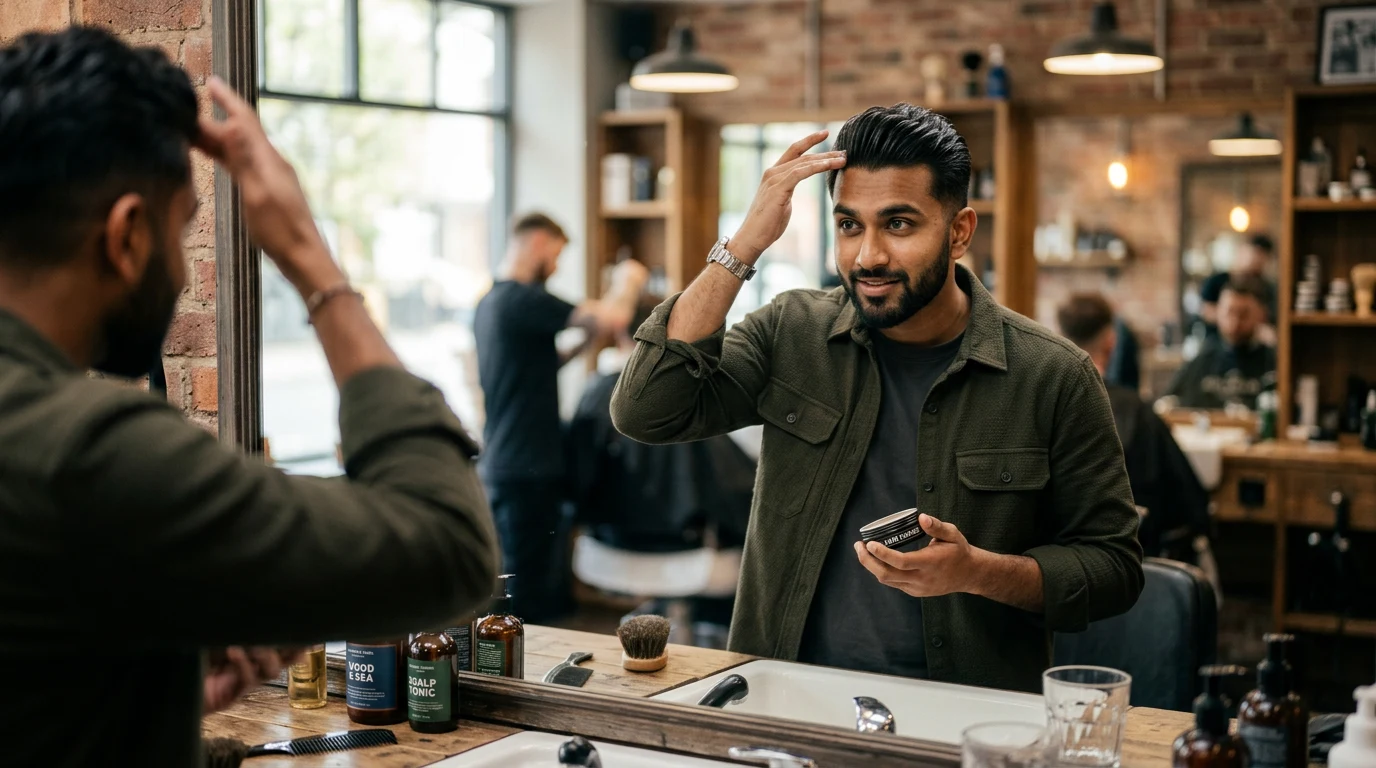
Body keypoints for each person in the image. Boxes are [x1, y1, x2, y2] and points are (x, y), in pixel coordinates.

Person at [0, 28, 499, 766]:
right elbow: (448, 549)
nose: (181, 266)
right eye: (182, 229)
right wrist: (308, 256)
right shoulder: (82, 450)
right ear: (128, 236)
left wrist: (144, 694)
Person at [611, 104, 1143, 693]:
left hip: (963, 715)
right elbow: (646, 408)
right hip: (784, 695)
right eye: (849, 225)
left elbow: (1114, 570)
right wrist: (743, 246)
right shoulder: (793, 333)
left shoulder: (1053, 375)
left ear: (960, 231)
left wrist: (976, 572)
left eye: (899, 224)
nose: (868, 257)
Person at [474, 214, 648, 622]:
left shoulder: (491, 303)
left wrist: (585, 340)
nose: (555, 267)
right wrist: (629, 281)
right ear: (536, 242)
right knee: (531, 595)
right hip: (527, 467)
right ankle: (529, 678)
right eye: (555, 256)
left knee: (521, 583)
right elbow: (615, 318)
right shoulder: (521, 299)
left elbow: (539, 365)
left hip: (506, 463)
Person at [1058, 294, 1209, 563]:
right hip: (1129, 562)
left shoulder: (1045, 404)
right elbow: (1189, 504)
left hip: (1059, 560)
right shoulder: (1136, 411)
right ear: (1110, 341)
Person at [1165, 275, 1277, 410]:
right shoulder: (1203, 359)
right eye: (1230, 312)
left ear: (1261, 315)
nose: (1235, 322)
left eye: (1243, 314)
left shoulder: (1272, 362)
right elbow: (1169, 400)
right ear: (1218, 312)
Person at [1199, 233, 1276, 334]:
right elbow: (1205, 311)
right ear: (1242, 251)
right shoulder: (1216, 281)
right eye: (1255, 253)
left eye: (1262, 257)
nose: (1256, 261)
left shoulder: (1267, 288)